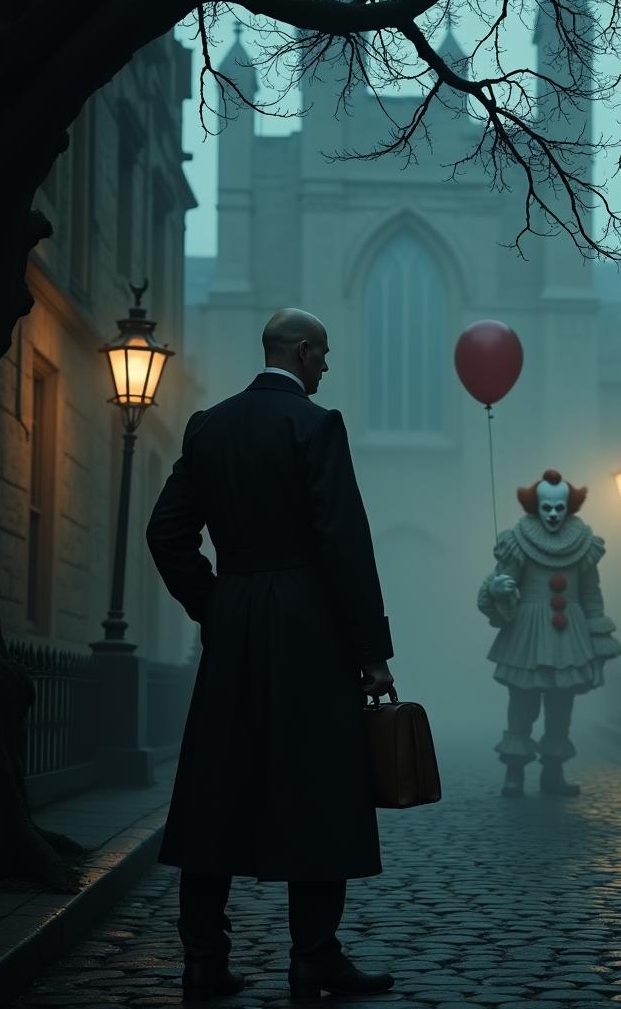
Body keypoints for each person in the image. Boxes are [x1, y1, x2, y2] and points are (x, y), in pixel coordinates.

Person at [146, 308, 396, 1005]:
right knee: (321, 787)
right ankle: (314, 959)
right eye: (323, 356)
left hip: (234, 628)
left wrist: (217, 603)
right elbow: (343, 545)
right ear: (304, 349)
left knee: (214, 787)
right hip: (311, 634)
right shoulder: (315, 426)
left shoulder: (208, 426)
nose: (326, 369)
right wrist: (373, 653)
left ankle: (203, 959)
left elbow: (167, 534)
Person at [477, 469, 621, 798]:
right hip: (528, 633)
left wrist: (597, 630)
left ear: (569, 507)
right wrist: (498, 587)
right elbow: (505, 581)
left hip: (568, 634)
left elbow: (590, 594)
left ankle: (552, 773)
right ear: (536, 508)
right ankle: (514, 773)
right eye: (547, 508)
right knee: (522, 704)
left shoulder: (584, 544)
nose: (554, 514)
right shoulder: (518, 541)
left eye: (559, 508)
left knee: (561, 705)